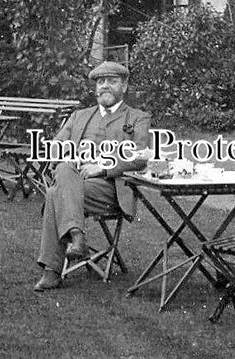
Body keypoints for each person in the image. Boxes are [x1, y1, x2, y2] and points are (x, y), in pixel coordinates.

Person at [33, 60, 150, 292]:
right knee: (63, 175)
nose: (105, 86)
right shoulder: (80, 116)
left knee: (54, 193)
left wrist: (103, 168)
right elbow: (54, 148)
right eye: (100, 81)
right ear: (95, 88)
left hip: (111, 188)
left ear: (124, 87)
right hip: (76, 185)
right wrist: (69, 154)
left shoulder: (138, 118)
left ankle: (53, 270)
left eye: (112, 81)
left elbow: (141, 158)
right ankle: (77, 238)